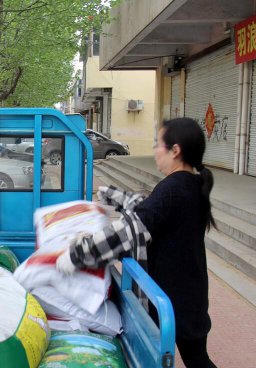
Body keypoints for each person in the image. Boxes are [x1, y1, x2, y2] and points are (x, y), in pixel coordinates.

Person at [56, 117, 217, 368]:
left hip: (170, 299)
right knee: (198, 360)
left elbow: (131, 231)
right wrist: (112, 196)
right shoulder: (194, 184)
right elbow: (153, 212)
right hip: (192, 295)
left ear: (175, 151)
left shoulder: (172, 188)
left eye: (158, 145)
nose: (155, 151)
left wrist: (78, 254)